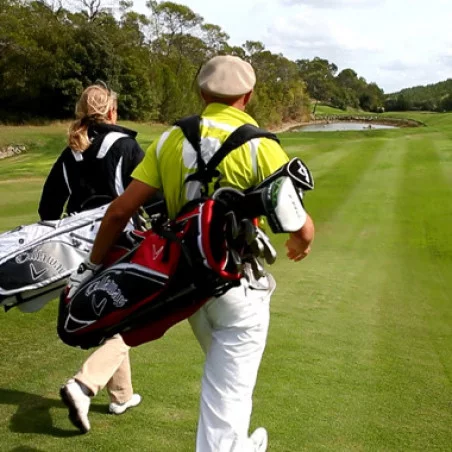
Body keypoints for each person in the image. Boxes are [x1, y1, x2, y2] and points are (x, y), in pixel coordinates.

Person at [68, 56, 315, 450]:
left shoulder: (170, 138)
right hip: (238, 285)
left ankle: (242, 443)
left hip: (186, 287)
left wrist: (91, 266)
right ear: (248, 95)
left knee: (226, 387)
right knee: (226, 396)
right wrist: (302, 240)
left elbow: (118, 212)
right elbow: (300, 225)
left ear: (202, 93)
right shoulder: (261, 144)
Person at [39, 83, 144, 434]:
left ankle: (121, 396)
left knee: (112, 315)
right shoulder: (127, 146)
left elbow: (48, 208)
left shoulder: (71, 151)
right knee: (131, 319)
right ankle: (84, 384)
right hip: (120, 242)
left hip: (77, 246)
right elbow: (152, 197)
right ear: (112, 111)